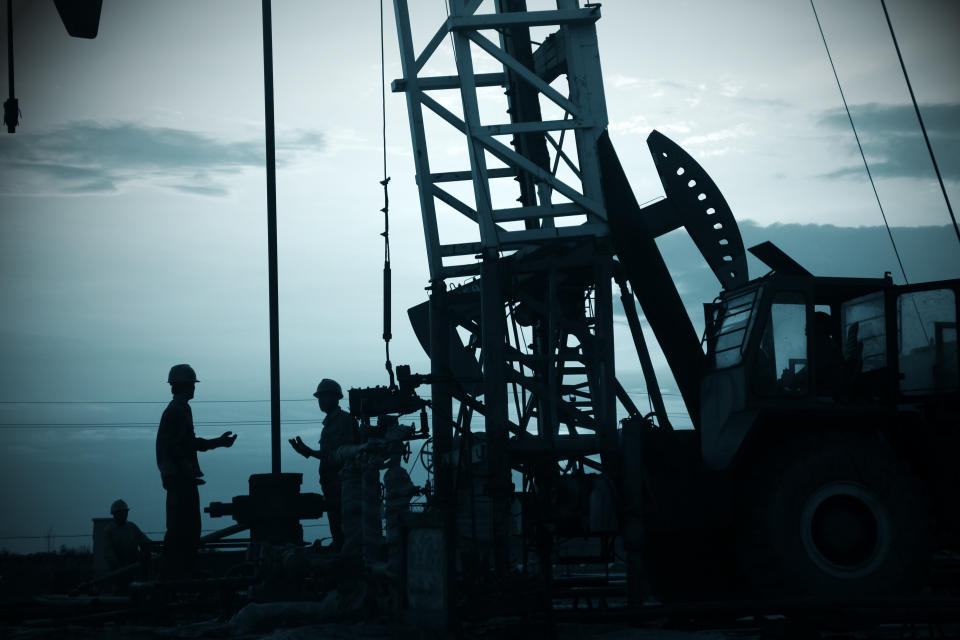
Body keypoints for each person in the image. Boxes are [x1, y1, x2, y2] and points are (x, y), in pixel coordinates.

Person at [156, 364, 237, 579]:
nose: (194, 388)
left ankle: (181, 571)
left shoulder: (180, 409)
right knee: (183, 529)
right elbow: (179, 446)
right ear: (182, 386)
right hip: (179, 479)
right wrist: (184, 470)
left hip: (180, 478)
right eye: (191, 384)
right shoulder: (177, 410)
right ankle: (175, 574)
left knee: (186, 528)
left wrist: (217, 443)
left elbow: (185, 444)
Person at [289, 378, 359, 551]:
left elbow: (344, 454)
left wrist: (311, 453)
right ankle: (339, 548)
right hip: (330, 484)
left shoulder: (345, 421)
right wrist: (309, 452)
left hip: (343, 484)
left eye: (324, 397)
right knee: (334, 519)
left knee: (344, 522)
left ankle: (346, 552)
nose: (320, 401)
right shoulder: (328, 425)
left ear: (335, 398)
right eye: (319, 398)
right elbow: (330, 455)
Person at [103, 499, 152, 576]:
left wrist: (152, 547)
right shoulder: (109, 530)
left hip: (134, 568)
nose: (125, 514)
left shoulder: (132, 527)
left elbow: (145, 541)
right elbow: (108, 552)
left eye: (126, 512)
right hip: (118, 571)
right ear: (115, 514)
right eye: (122, 512)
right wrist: (117, 566)